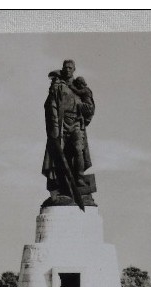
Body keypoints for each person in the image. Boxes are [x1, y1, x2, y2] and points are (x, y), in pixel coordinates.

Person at [41, 60, 95, 205]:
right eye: (66, 67)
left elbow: (90, 107)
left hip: (76, 123)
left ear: (74, 69)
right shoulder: (57, 85)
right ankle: (61, 187)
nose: (68, 70)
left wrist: (84, 109)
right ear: (63, 69)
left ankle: (79, 178)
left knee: (78, 149)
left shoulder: (79, 86)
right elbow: (49, 104)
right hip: (61, 124)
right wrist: (54, 125)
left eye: (70, 68)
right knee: (60, 156)